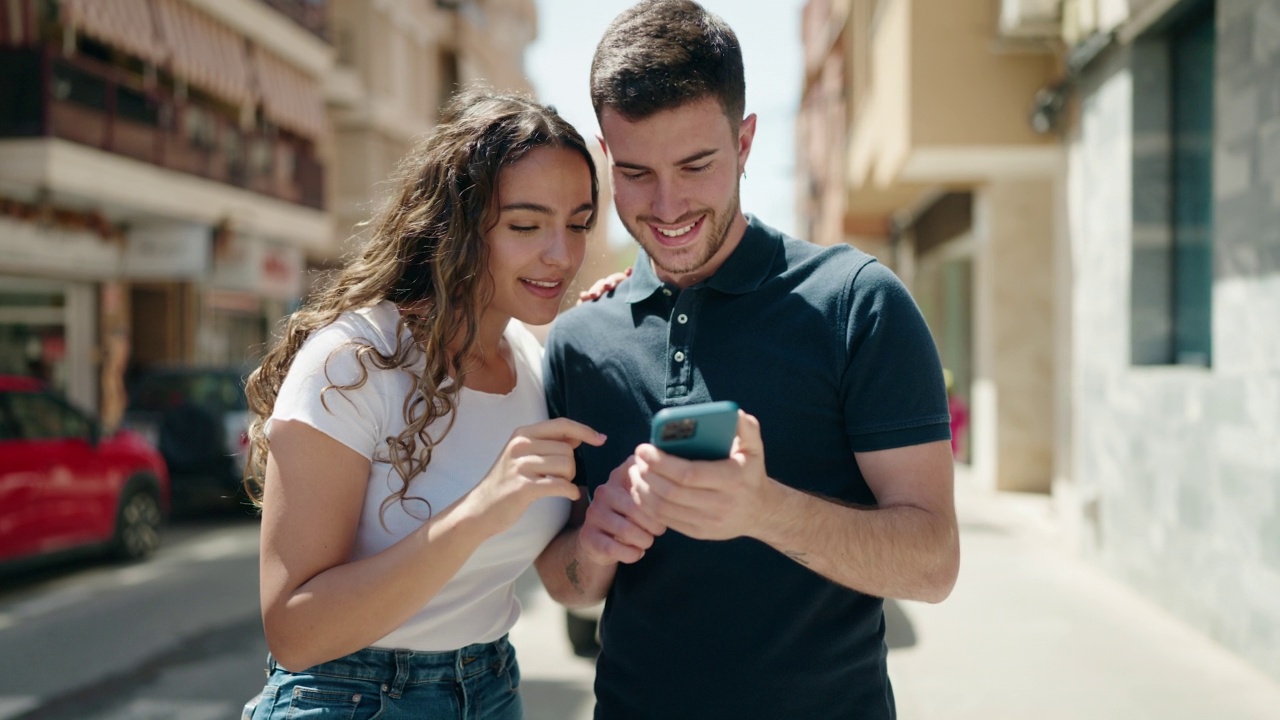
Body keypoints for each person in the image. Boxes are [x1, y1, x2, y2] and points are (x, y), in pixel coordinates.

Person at [534, 2, 960, 718]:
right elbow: (567, 583)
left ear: (746, 142)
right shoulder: (580, 340)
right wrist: (599, 542)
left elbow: (933, 564)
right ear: (607, 158)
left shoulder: (858, 304)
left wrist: (766, 511)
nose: (667, 206)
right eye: (636, 173)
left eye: (696, 165)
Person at [239, 88, 603, 720]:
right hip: (350, 697)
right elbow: (293, 632)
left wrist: (609, 532)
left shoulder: (534, 364)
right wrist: (479, 511)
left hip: (492, 687)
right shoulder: (353, 361)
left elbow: (562, 581)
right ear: (457, 226)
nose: (562, 255)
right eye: (525, 225)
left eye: (577, 224)